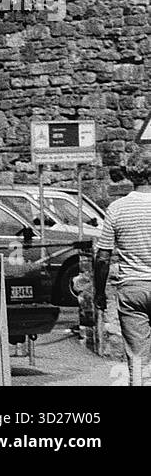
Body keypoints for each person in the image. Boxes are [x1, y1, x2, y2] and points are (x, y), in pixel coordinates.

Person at [95, 147, 151, 386]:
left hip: (132, 290)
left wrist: (99, 292)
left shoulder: (117, 208)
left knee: (138, 358)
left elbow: (102, 257)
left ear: (130, 174)